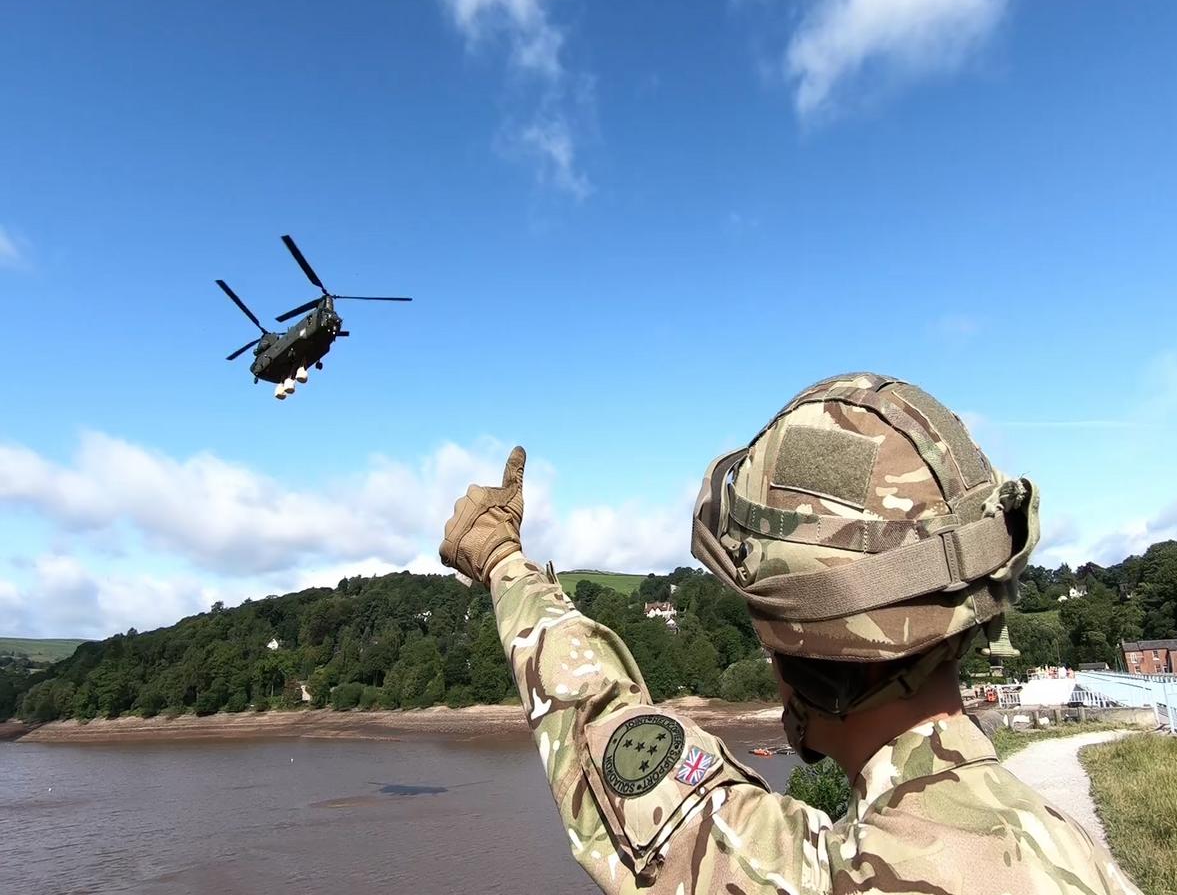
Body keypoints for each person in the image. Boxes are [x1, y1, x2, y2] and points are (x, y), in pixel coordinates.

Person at [440, 372, 1141, 894]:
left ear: (792, 639)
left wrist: (501, 560)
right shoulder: (1072, 850)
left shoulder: (826, 877)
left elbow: (602, 732)